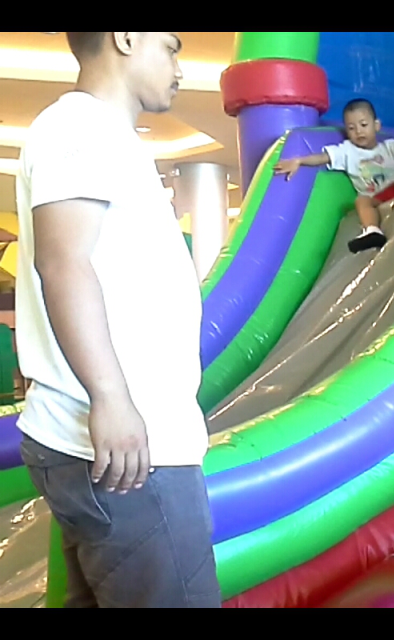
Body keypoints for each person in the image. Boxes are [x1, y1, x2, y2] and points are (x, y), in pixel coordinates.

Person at [15, 32, 220, 608]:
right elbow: (63, 264)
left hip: (117, 445)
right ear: (126, 37)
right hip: (129, 453)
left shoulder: (106, 137)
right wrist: (111, 398)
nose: (179, 65)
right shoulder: (82, 128)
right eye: (172, 46)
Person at [273, 98, 394, 254]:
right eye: (351, 128)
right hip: (376, 196)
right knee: (361, 200)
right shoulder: (347, 151)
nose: (358, 131)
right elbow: (324, 157)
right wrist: (298, 161)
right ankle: (373, 231)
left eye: (363, 124)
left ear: (376, 125)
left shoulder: (388, 147)